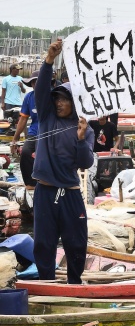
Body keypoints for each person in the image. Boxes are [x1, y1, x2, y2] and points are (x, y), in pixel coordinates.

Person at [32, 39, 95, 284]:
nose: (59, 102)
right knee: (43, 242)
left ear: (75, 102)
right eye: (56, 98)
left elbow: (86, 163)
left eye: (64, 99)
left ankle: (74, 283)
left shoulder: (84, 128)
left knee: (77, 242)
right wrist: (49, 59)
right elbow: (40, 92)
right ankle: (46, 283)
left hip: (69, 193)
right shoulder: (47, 116)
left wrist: (80, 139)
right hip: (45, 191)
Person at [10, 71, 41, 189]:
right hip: (34, 131)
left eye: (39, 81)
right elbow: (23, 119)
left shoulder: (52, 95)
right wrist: (14, 139)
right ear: (31, 84)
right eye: (34, 82)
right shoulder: (29, 97)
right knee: (26, 153)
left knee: (42, 155)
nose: (36, 84)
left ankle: (46, 181)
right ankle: (30, 184)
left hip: (49, 133)